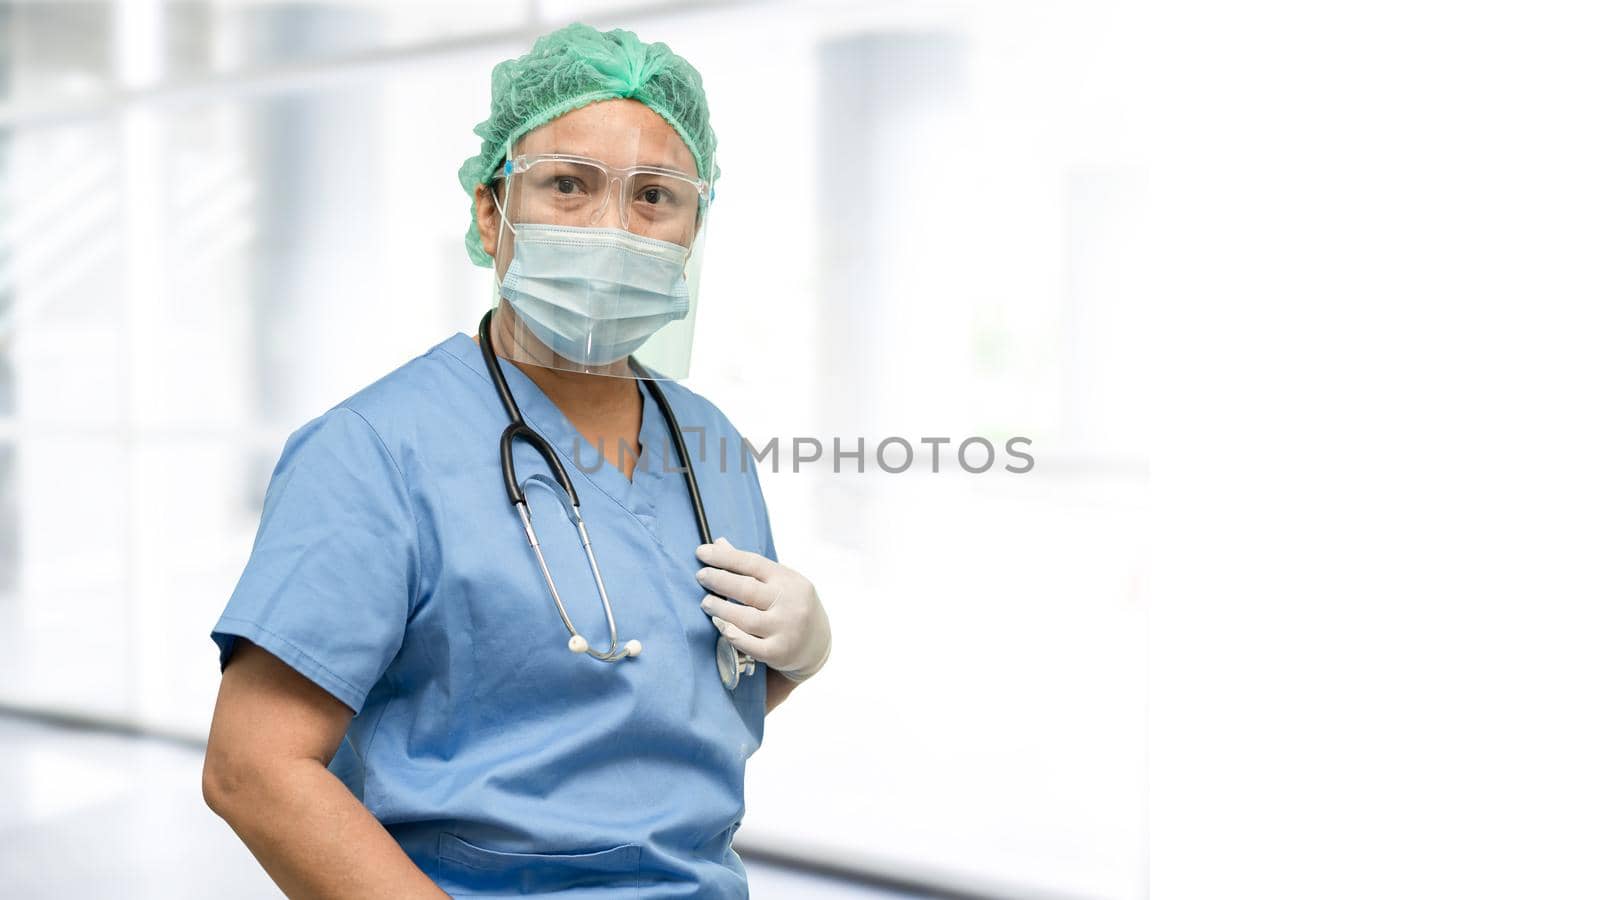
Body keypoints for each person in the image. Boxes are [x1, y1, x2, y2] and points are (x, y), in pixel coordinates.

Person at [200, 23, 831, 899]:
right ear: (489, 210)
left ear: (695, 226)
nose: (615, 227)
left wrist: (798, 656)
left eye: (655, 196)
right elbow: (253, 769)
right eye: (568, 184)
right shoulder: (374, 451)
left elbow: (659, 708)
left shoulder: (709, 443)